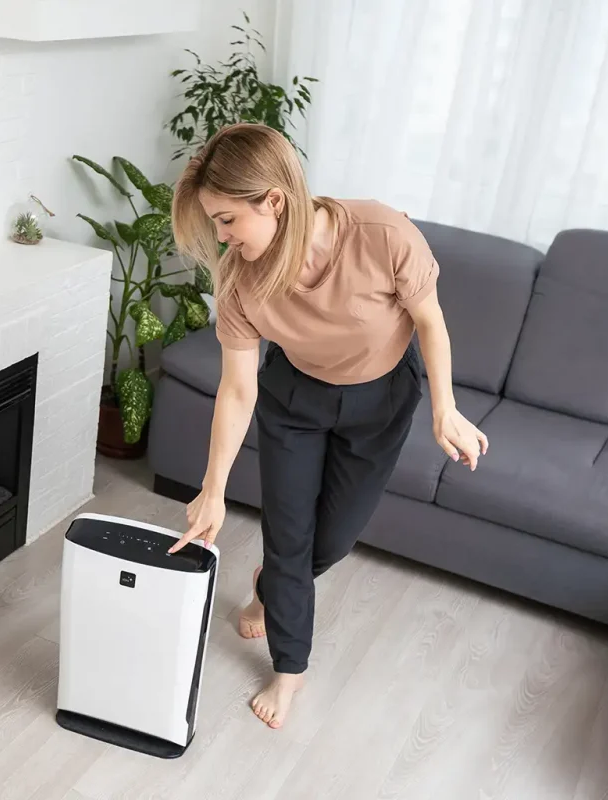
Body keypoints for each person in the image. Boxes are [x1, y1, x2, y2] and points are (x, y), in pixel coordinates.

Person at [167, 122, 488, 730]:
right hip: (296, 401)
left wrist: (444, 408)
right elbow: (238, 388)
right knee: (289, 536)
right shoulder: (240, 278)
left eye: (227, 220)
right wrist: (212, 489)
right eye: (215, 223)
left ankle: (270, 587)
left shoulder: (382, 234)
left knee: (329, 541)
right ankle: (290, 671)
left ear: (274, 201)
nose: (222, 237)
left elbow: (430, 320)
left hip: (381, 400)